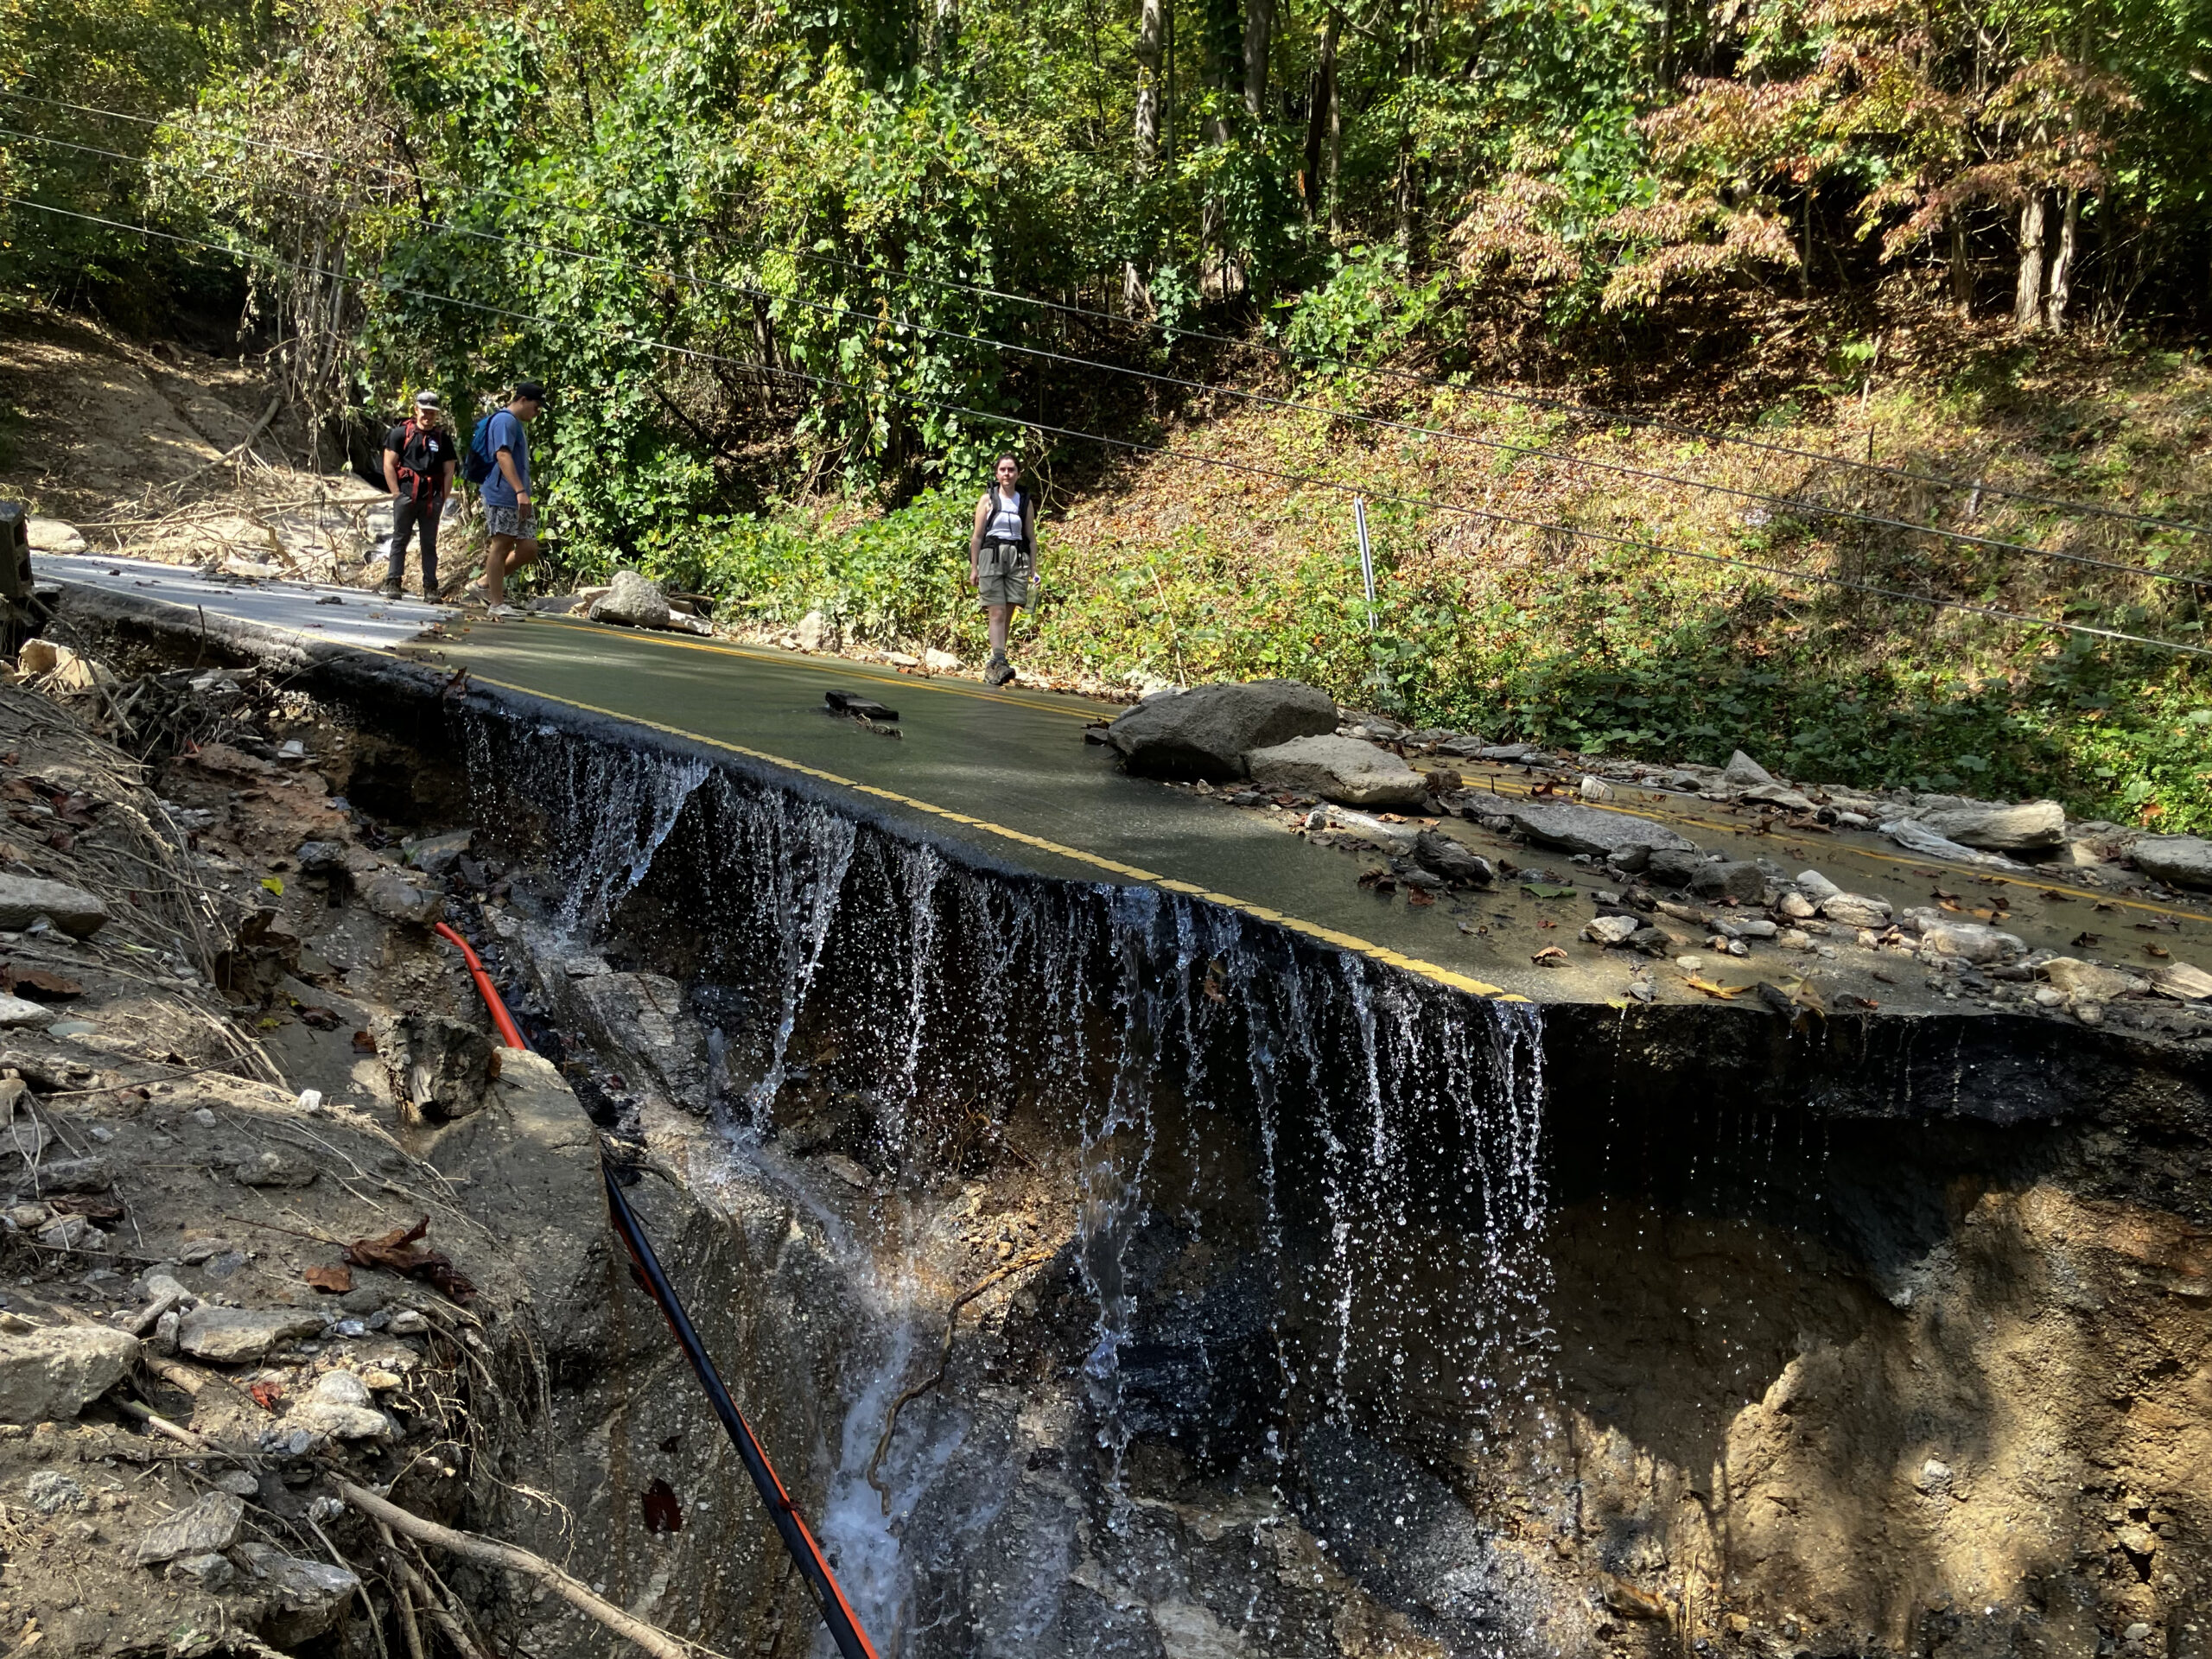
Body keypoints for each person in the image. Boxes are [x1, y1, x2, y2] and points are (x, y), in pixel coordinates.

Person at [473, 380, 544, 619]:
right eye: (536, 407)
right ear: (522, 400)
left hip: (518, 496)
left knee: (528, 547)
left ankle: (483, 584)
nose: (538, 412)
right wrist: (519, 491)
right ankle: (496, 602)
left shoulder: (515, 424)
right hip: (503, 493)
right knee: (501, 544)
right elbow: (502, 455)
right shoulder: (505, 420)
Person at [968, 454, 1037, 685]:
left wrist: (1033, 569)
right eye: (1003, 470)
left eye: (1011, 470)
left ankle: (997, 660)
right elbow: (977, 537)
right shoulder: (987, 500)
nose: (1007, 474)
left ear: (1018, 473)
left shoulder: (1024, 502)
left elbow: (1032, 538)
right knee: (996, 611)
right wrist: (974, 568)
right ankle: (1000, 658)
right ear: (996, 473)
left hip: (1017, 557)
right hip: (992, 555)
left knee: (1007, 613)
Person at [380, 391, 456, 601]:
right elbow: (388, 463)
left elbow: (449, 470)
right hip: (405, 495)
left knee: (429, 543)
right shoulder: (400, 434)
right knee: (400, 539)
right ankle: (393, 581)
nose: (428, 415)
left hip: (431, 499)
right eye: (424, 411)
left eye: (432, 412)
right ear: (416, 410)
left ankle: (430, 587)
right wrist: (396, 493)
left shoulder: (443, 440)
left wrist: (443, 497)